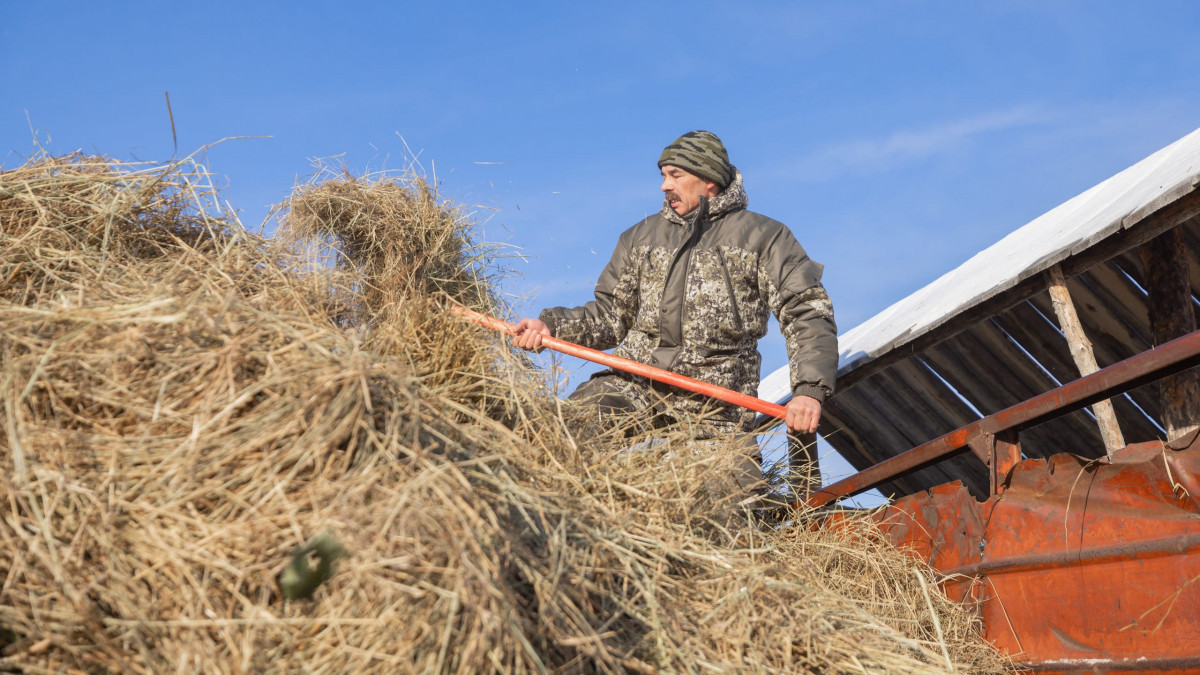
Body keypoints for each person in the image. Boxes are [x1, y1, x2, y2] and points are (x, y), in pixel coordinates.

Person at [513, 130, 838, 495]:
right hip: (635, 381)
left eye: (675, 175)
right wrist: (551, 326)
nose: (664, 186)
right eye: (663, 175)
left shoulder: (766, 238)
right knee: (557, 436)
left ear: (709, 179)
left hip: (716, 402)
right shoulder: (639, 237)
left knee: (722, 500)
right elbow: (609, 314)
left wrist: (809, 389)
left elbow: (806, 313)